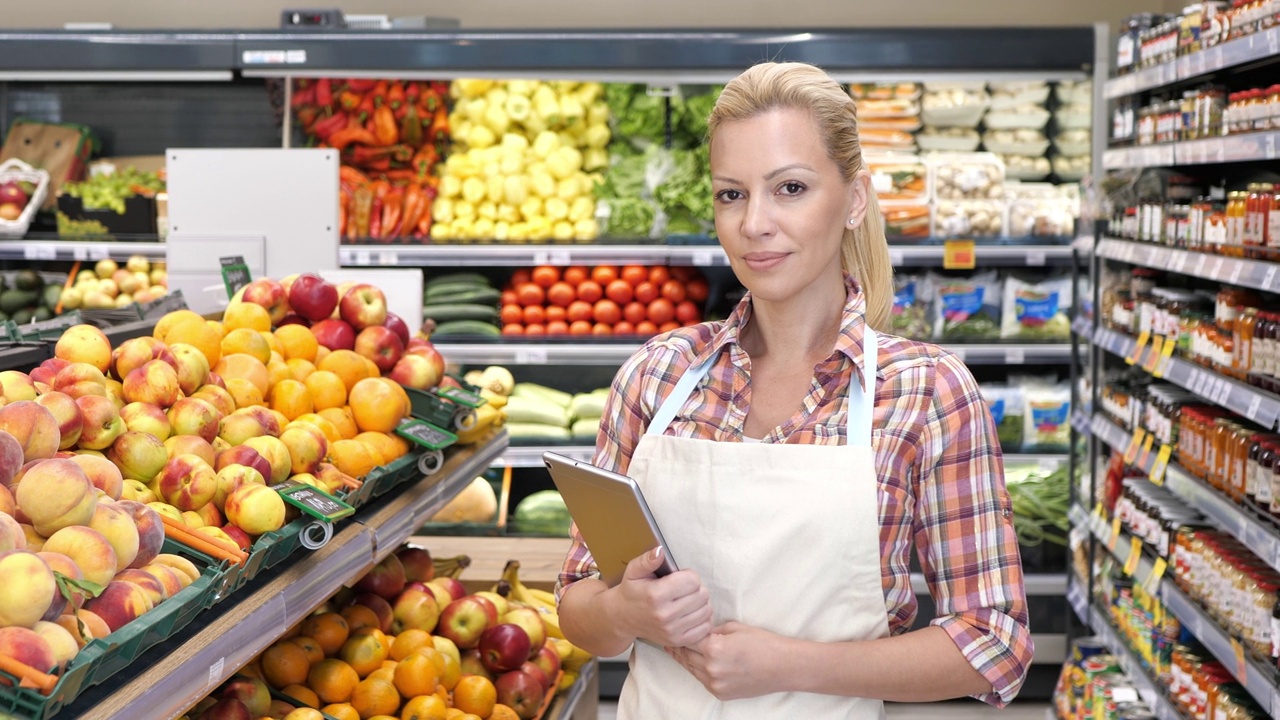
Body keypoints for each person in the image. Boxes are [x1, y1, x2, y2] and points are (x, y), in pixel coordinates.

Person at [556, 61, 1032, 718]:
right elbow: (578, 608)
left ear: (855, 199)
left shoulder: (926, 393)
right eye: (731, 194)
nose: (754, 223)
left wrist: (789, 665)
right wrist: (625, 609)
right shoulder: (660, 373)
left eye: (790, 188)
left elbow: (995, 645)